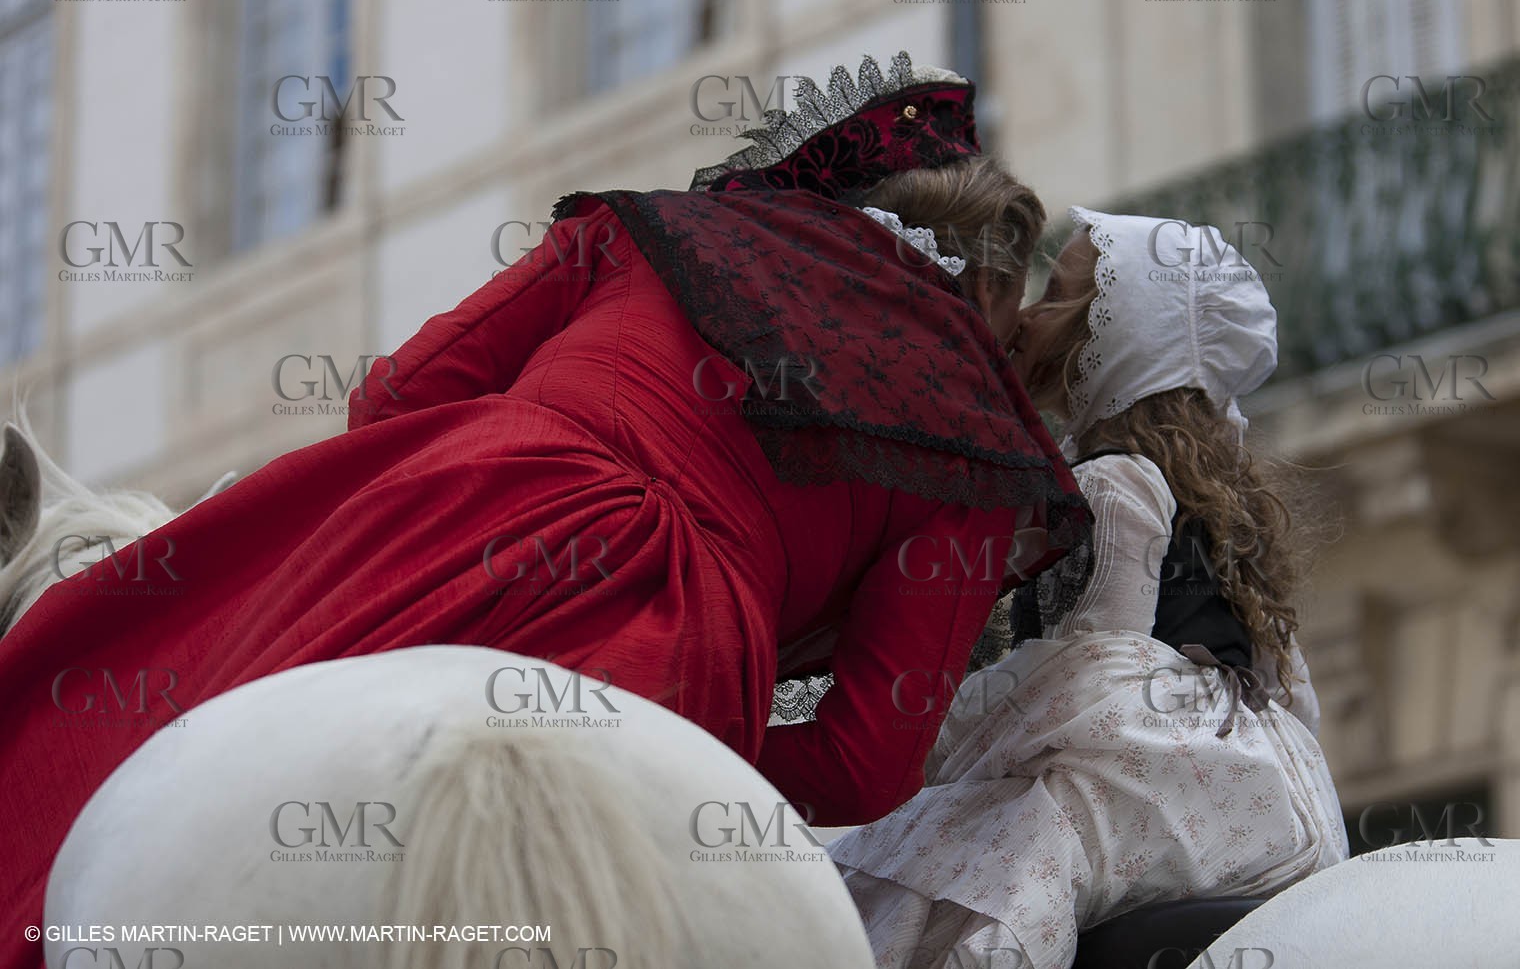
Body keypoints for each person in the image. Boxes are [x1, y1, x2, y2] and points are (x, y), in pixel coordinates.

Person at [0, 54, 1091, 967]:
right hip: (688, 650)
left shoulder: (651, 236)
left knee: (173, 715)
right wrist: (709, 751)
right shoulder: (972, 440)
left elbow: (397, 394)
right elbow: (867, 763)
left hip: (472, 507)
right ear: (986, 297)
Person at [829, 207, 1348, 969]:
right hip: (1270, 799)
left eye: (1057, 295)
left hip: (1144, 779)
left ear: (1116, 338)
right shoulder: (1219, 496)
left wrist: (922, 732)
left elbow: (1090, 677)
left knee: (960, 875)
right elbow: (1290, 688)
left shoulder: (1109, 482)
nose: (1029, 317)